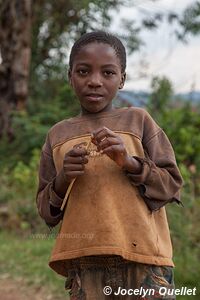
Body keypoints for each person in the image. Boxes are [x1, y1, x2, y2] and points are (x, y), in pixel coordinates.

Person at [36, 31, 183, 299]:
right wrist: (63, 178)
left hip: (144, 260)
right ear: (70, 76)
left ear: (122, 79)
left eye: (107, 73)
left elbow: (172, 186)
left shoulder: (139, 121)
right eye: (83, 71)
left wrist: (129, 162)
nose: (94, 81)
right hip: (85, 264)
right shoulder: (58, 136)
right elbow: (46, 211)